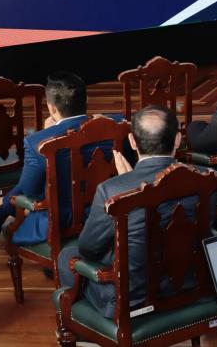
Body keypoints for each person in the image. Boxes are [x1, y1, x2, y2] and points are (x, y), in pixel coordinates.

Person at [58, 106, 198, 318]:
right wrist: (132, 182)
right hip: (188, 288)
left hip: (132, 301)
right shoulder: (206, 177)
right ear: (178, 140)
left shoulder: (112, 190)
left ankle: (83, 328)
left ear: (132, 141)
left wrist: (128, 184)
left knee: (66, 255)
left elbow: (88, 249)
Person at [0, 72, 90, 242]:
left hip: (59, 220)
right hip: (99, 212)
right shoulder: (114, 125)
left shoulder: (37, 142)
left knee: (29, 183)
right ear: (86, 100)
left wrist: (47, 134)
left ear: (51, 108)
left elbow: (30, 191)